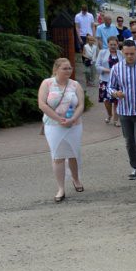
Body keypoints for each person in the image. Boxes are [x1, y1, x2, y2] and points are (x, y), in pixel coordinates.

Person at [37, 58, 85, 202]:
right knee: (57, 156)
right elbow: (42, 104)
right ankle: (61, 188)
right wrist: (59, 119)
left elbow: (80, 105)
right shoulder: (47, 83)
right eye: (64, 68)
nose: (68, 71)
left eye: (69, 68)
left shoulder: (75, 85)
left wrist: (72, 118)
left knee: (73, 154)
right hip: (53, 125)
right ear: (56, 69)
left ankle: (76, 179)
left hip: (74, 124)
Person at [108, 40, 136, 186]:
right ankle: (134, 167)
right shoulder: (116, 68)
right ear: (123, 52)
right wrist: (116, 93)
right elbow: (110, 87)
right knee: (129, 141)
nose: (129, 56)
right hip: (124, 110)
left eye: (132, 54)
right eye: (127, 54)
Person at [95, 35, 122, 126]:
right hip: (105, 80)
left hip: (118, 81)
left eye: (115, 44)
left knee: (117, 100)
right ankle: (109, 114)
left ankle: (116, 119)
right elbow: (97, 66)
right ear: (108, 44)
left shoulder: (121, 54)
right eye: (111, 44)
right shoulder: (102, 52)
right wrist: (109, 71)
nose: (113, 46)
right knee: (106, 100)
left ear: (118, 44)